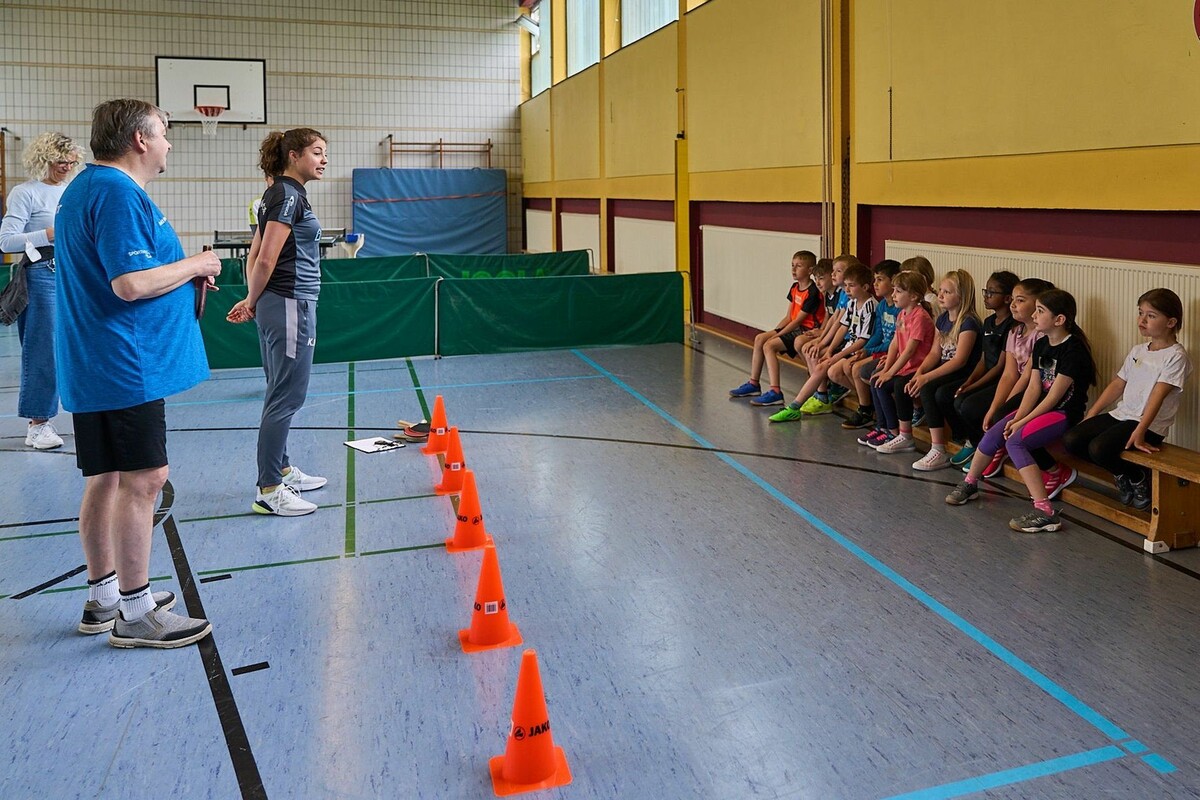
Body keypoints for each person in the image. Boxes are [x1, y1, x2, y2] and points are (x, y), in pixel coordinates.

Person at [55, 99, 218, 647]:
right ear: (140, 140)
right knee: (145, 479)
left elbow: (131, 273)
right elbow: (129, 284)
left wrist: (180, 278)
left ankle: (105, 597)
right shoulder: (117, 192)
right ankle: (136, 612)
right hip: (126, 362)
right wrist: (198, 264)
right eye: (164, 132)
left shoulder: (87, 187)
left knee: (105, 477)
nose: (169, 142)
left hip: (98, 359)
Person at [227, 128, 329, 516]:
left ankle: (282, 470)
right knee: (287, 395)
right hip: (289, 302)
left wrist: (252, 298)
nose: (323, 159)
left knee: (279, 390)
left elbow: (254, 255)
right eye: (317, 152)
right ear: (293, 155)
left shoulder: (278, 194)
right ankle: (269, 489)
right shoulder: (286, 195)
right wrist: (252, 300)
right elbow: (266, 258)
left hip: (280, 302)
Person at [945, 289, 1096, 533]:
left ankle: (1045, 511)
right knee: (995, 432)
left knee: (1015, 441)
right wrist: (1018, 416)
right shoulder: (1042, 343)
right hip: (1040, 409)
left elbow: (1054, 397)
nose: (1034, 316)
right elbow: (1034, 388)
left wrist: (1023, 421)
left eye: (1040, 311)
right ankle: (970, 483)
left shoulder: (1073, 350)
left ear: (1059, 320)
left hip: (1062, 412)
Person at [1063, 289, 1191, 510]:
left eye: (1151, 316)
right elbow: (1118, 384)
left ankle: (1138, 477)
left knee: (1099, 448)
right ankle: (1122, 473)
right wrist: (1092, 414)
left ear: (1171, 322)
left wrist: (1141, 431)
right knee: (1072, 439)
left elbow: (1158, 396)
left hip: (1149, 424)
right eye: (1140, 313)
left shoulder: (1176, 356)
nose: (1142, 320)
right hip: (1123, 415)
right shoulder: (1138, 350)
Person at [0, 132, 84, 450]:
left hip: (74, 272)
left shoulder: (71, 191)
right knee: (43, 349)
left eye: (71, 162)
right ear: (44, 159)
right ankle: (38, 424)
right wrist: (48, 233)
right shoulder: (26, 193)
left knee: (79, 346)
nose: (67, 167)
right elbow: (6, 241)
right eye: (61, 161)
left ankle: (89, 415)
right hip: (43, 272)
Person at [877, 269, 981, 467]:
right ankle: (906, 436)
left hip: (963, 373)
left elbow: (959, 361)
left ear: (962, 296)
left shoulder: (969, 322)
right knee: (905, 383)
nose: (940, 295)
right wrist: (919, 373)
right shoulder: (942, 319)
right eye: (940, 290)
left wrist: (926, 377)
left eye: (947, 292)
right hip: (945, 369)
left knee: (932, 390)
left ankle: (940, 447)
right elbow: (934, 353)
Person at [769, 262, 876, 423]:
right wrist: (829, 349)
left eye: (851, 286)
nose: (847, 289)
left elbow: (863, 340)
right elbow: (842, 327)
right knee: (827, 368)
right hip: (849, 348)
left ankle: (796, 406)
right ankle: (797, 405)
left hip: (859, 350)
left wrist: (836, 355)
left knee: (829, 369)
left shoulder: (870, 306)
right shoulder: (852, 303)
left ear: (865, 287)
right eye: (846, 285)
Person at [729, 250, 823, 406]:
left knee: (769, 346)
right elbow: (788, 317)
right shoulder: (795, 287)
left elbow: (798, 321)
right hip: (794, 327)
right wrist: (775, 331)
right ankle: (753, 384)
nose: (793, 269)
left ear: (810, 270)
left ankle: (775, 392)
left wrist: (777, 336)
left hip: (806, 330)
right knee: (760, 338)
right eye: (792, 265)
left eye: (799, 266)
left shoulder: (813, 292)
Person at [946, 271, 1019, 466]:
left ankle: (984, 448)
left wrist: (975, 385)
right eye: (985, 291)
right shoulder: (988, 322)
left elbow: (1000, 366)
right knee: (957, 398)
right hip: (987, 376)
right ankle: (972, 441)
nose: (986, 296)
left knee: (970, 405)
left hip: (1000, 379)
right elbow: (983, 360)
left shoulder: (1011, 326)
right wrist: (969, 381)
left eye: (991, 293)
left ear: (1007, 298)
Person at [860, 270, 935, 449]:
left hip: (915, 367)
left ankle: (896, 433)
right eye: (893, 290)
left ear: (914, 296)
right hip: (904, 366)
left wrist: (890, 372)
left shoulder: (920, 317)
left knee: (890, 385)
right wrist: (886, 370)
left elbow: (909, 351)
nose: (893, 295)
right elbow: (895, 343)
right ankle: (883, 427)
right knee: (876, 380)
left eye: (898, 291)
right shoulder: (902, 314)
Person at [839, 260, 901, 429]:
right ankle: (870, 405)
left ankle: (868, 410)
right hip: (882, 349)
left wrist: (868, 351)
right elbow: (878, 334)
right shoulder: (882, 306)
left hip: (892, 352)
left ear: (894, 281)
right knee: (849, 365)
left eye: (880, 279)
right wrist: (865, 350)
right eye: (875, 279)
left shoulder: (899, 309)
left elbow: (894, 342)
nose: (875, 284)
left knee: (857, 369)